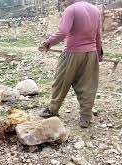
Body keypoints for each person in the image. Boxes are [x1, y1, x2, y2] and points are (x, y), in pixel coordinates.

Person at [38, 0, 103, 128]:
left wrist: (47, 43)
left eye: (63, 0)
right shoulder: (95, 9)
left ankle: (52, 110)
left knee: (61, 82)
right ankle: (86, 118)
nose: (62, 2)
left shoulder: (71, 9)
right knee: (88, 86)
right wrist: (99, 54)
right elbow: (98, 34)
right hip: (91, 54)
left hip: (72, 53)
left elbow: (63, 31)